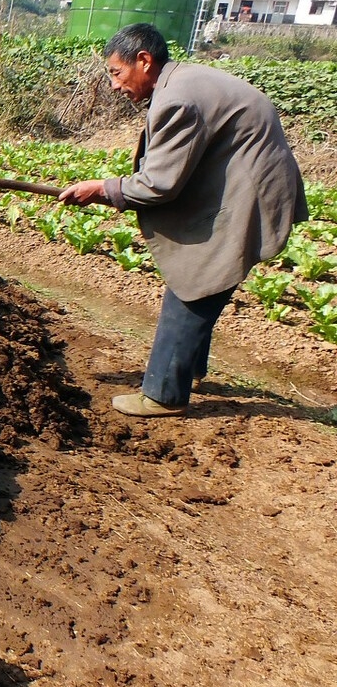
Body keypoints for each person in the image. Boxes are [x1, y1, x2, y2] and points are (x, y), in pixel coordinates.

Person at [59, 23, 308, 417]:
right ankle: (189, 367)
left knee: (196, 282)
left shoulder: (176, 99)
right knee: (203, 277)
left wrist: (103, 189)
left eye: (116, 72)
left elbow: (159, 184)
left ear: (144, 61)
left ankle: (163, 394)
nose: (113, 85)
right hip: (239, 180)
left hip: (250, 191)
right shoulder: (179, 83)